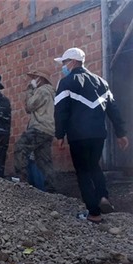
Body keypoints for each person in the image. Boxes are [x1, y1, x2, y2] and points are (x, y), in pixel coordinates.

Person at [53, 47, 128, 223]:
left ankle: (94, 213)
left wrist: (59, 135)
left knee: (83, 172)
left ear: (72, 62)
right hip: (98, 134)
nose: (63, 66)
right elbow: (113, 109)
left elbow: (61, 111)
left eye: (64, 62)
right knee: (94, 166)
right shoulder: (101, 82)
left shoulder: (66, 82)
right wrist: (121, 133)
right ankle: (103, 197)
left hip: (78, 135)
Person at [14, 69, 56, 191]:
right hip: (49, 130)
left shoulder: (42, 91)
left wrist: (30, 90)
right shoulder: (52, 92)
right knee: (44, 160)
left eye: (34, 77)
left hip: (39, 128)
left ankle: (22, 180)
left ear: (41, 79)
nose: (31, 80)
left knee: (20, 147)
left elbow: (29, 106)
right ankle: (51, 189)